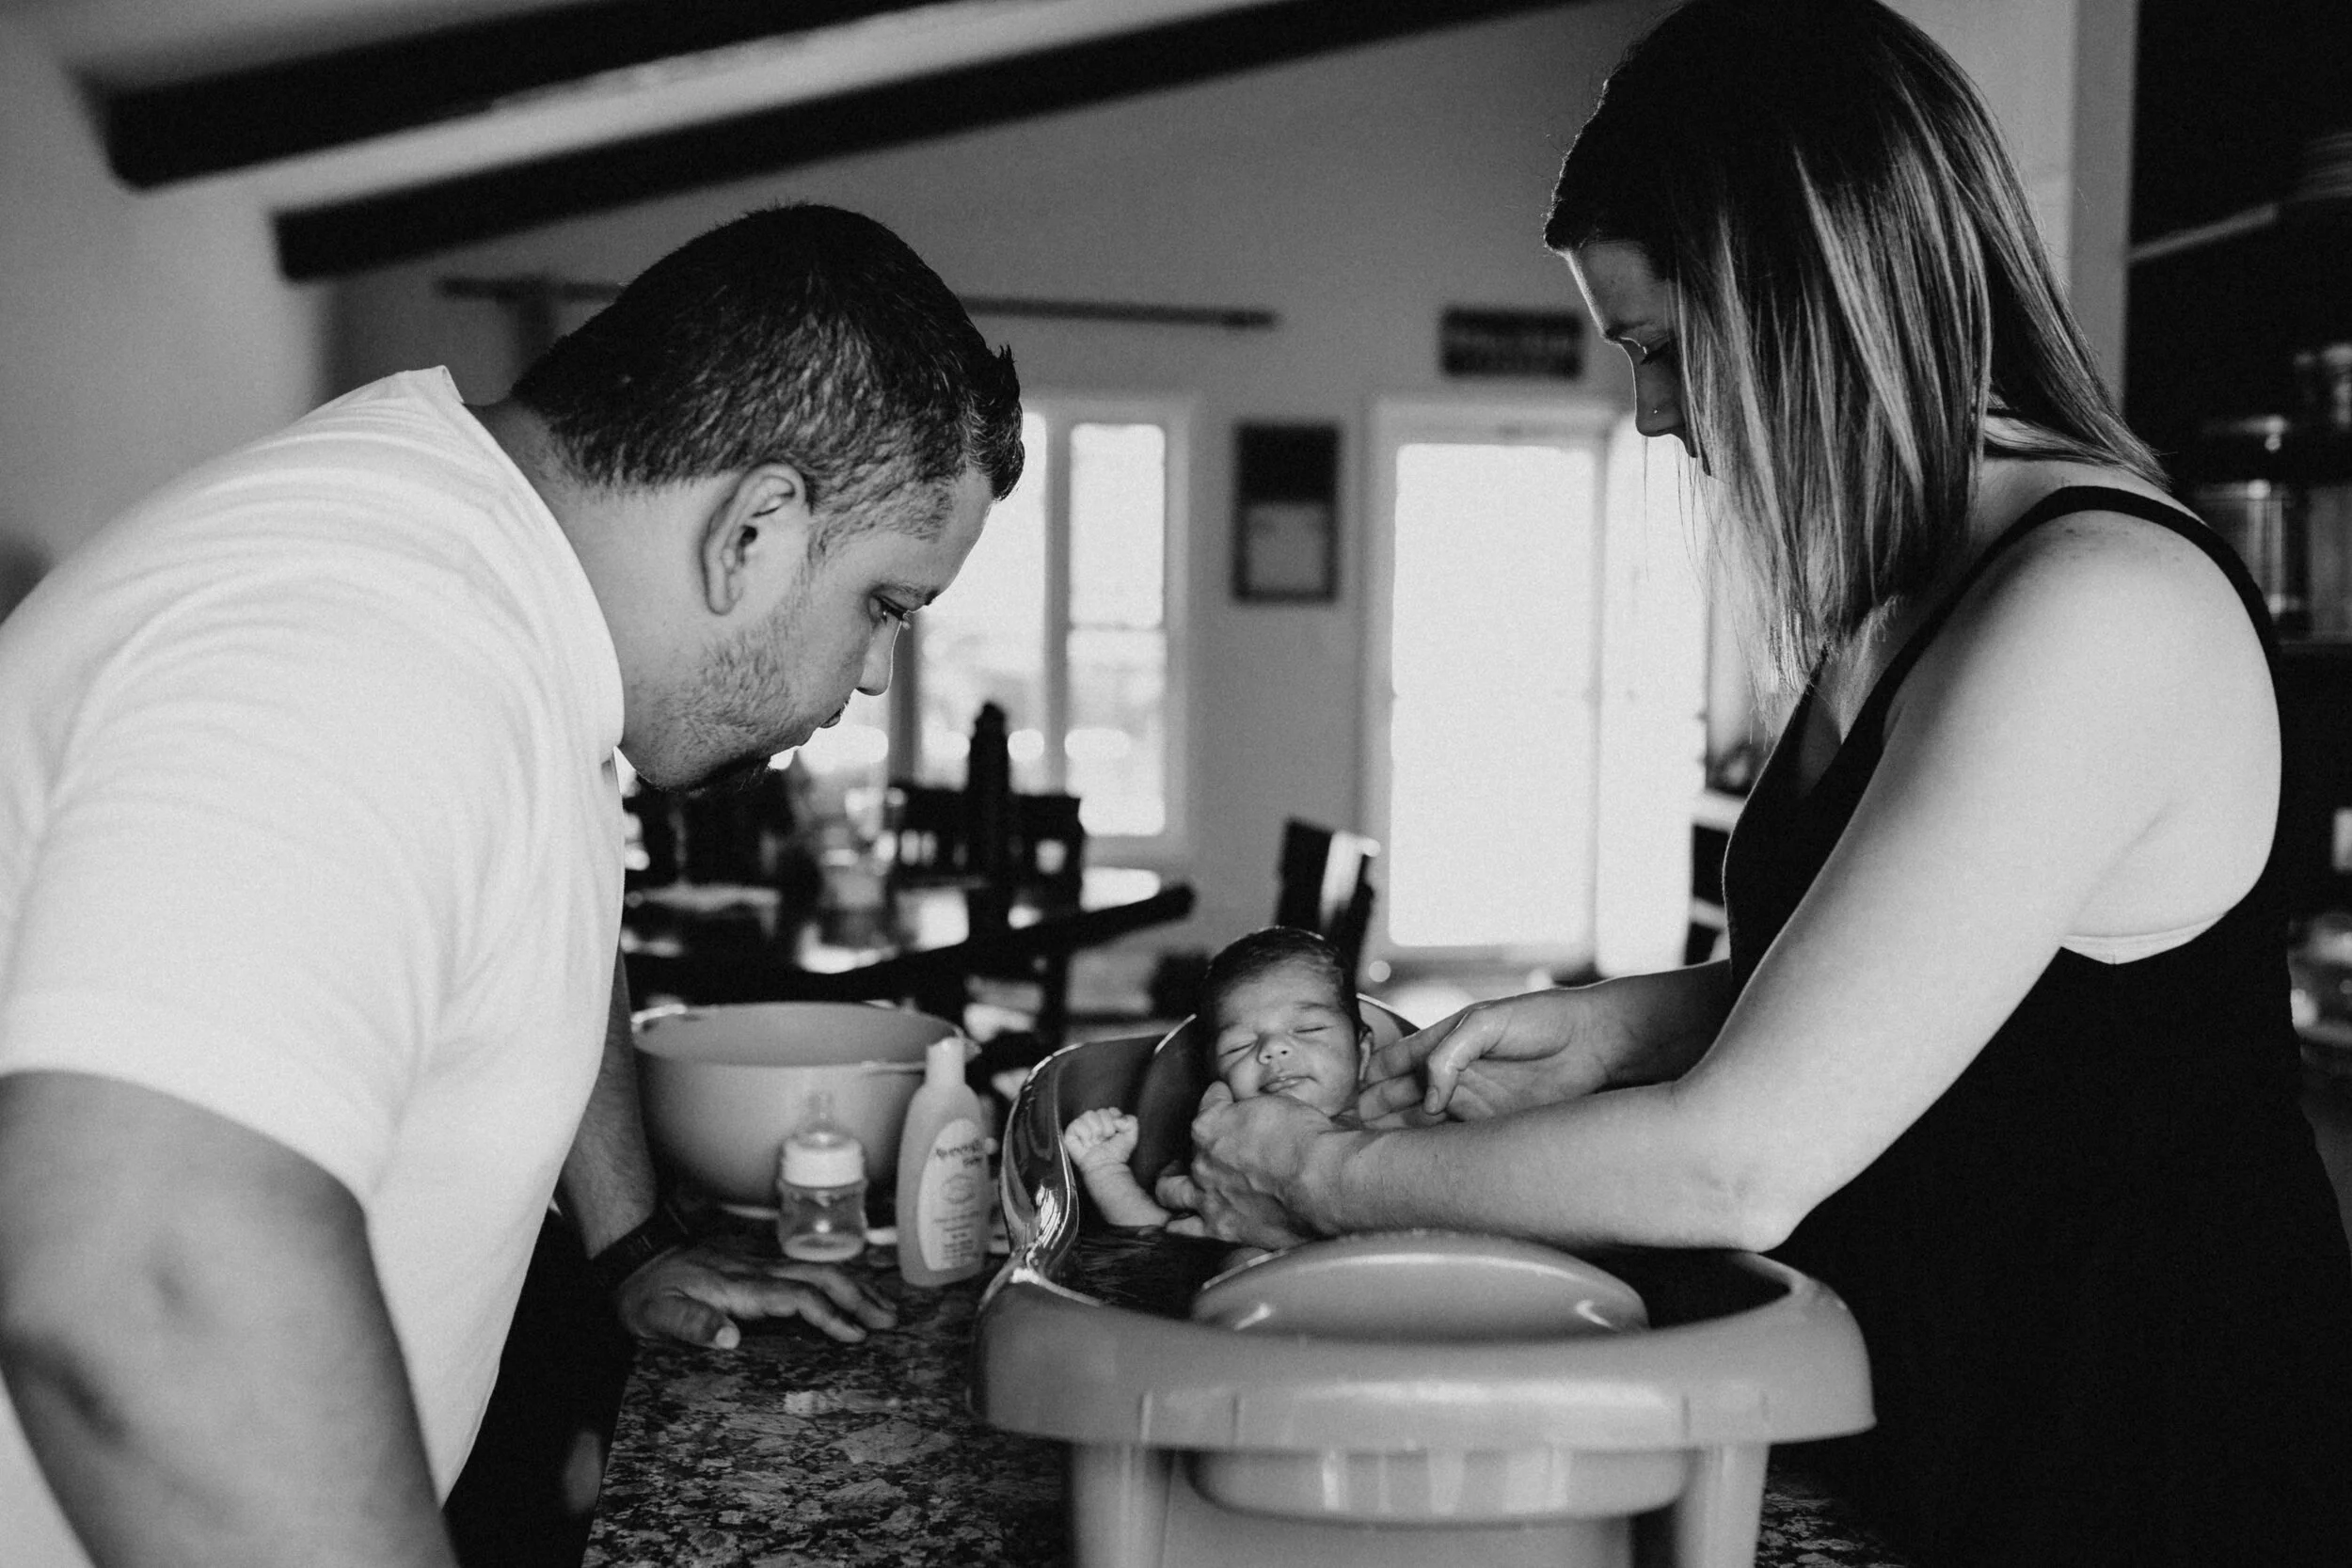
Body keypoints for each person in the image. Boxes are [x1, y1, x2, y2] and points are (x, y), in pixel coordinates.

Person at [1165, 4, 2352, 1564]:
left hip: (2156, 1462)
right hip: (1960, 1422)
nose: (1652, 415)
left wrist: (1325, 1175)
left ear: (1809, 288)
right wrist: (1623, 1025)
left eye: (1659, 345)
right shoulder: (1912, 588)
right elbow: (1975, 995)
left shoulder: (2095, 609)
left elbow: (1744, 1158)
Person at [0, 202, 1025, 1568]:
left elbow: (545, 893)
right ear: (758, 528)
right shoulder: (375, 637)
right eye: (888, 606)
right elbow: (142, 1268)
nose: (878, 675)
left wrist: (629, 1236)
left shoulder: (516, 605)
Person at [1063, 926, 1370, 1228]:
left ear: (1363, 1053)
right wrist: (1105, 1170)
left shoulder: (1402, 1135)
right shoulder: (1218, 1164)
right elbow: (1161, 1234)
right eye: (1239, 1047)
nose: (1273, 1049)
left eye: (1308, 1029)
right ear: (1216, 1079)